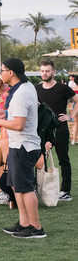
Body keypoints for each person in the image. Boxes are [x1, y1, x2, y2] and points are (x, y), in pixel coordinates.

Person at [0, 58, 46, 238]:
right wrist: (2, 114)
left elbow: (19, 124)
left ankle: (36, 227)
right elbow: (18, 116)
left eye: (2, 70)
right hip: (17, 145)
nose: (0, 73)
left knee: (25, 187)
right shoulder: (23, 88)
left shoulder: (22, 93)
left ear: (11, 73)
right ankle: (24, 223)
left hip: (23, 146)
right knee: (16, 186)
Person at [35, 60, 77, 202]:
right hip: (42, 130)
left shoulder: (62, 88)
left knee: (63, 159)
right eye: (42, 71)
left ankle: (65, 191)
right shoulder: (37, 88)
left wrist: (70, 116)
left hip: (60, 128)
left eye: (47, 71)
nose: (44, 73)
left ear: (53, 72)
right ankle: (38, 188)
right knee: (39, 160)